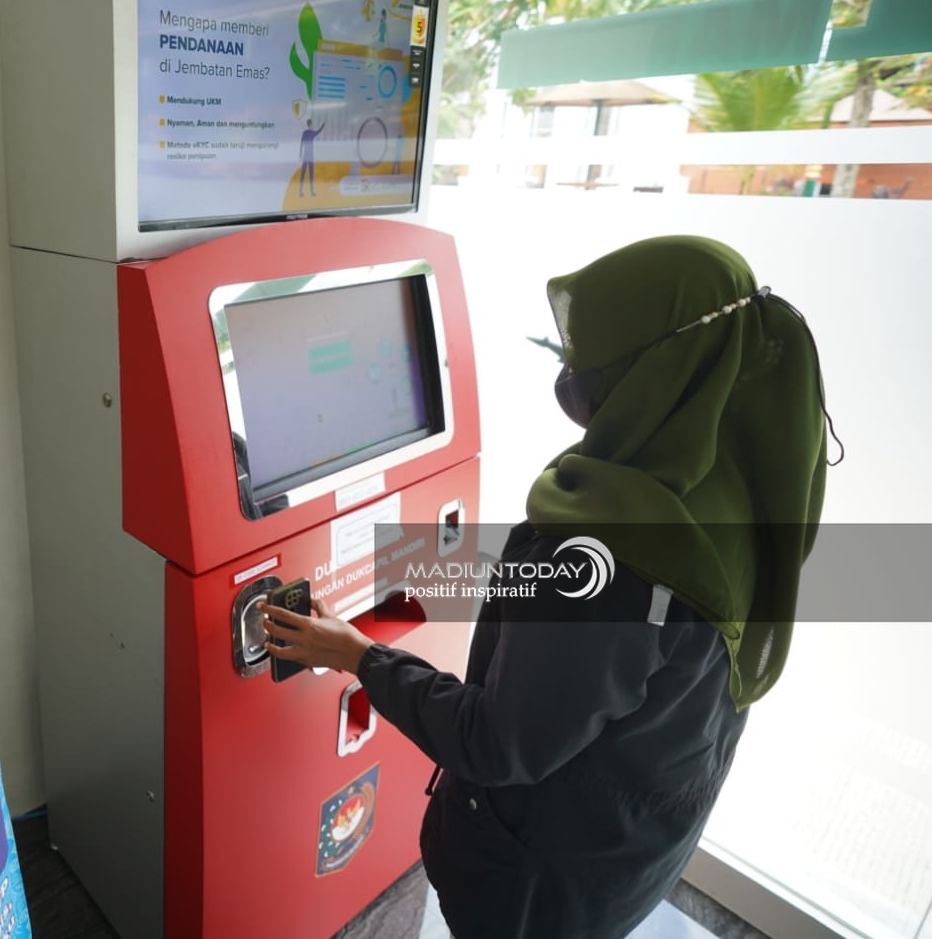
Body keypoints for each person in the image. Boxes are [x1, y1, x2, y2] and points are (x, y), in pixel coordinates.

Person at [262, 236, 833, 939]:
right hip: (628, 850)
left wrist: (356, 654)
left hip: (535, 888)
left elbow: (495, 742)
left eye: (590, 357)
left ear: (653, 371)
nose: (571, 373)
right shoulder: (733, 484)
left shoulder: (614, 554)